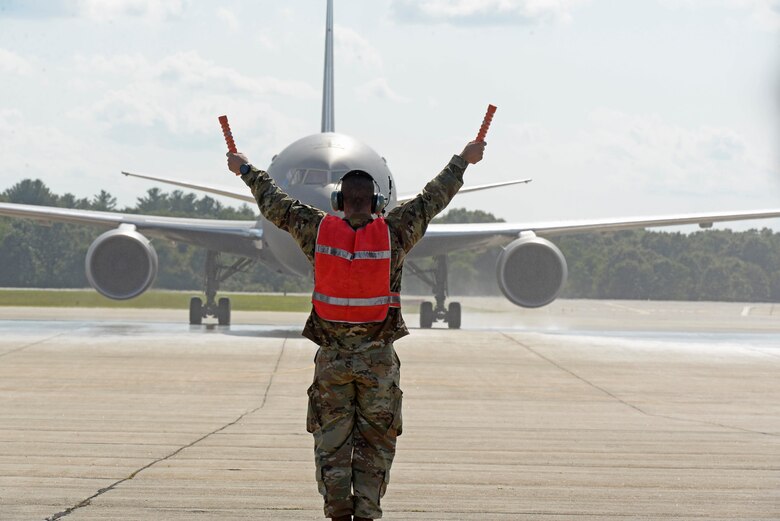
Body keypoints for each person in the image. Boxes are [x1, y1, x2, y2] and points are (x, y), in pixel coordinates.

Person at [227, 139, 486, 520]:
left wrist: (245, 169)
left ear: (338, 202)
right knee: (376, 443)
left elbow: (274, 203)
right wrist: (464, 160)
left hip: (332, 360)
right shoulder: (395, 232)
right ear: (379, 203)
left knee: (331, 442)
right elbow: (434, 197)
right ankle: (367, 510)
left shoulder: (316, 230)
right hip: (378, 361)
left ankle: (337, 511)